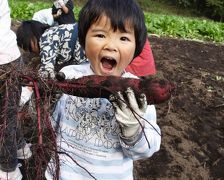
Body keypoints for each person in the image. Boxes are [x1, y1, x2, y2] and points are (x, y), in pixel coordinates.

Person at [45, 0, 161, 179]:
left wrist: (133, 130)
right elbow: (50, 125)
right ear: (83, 40)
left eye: (123, 38)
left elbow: (146, 150)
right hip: (61, 174)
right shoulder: (68, 76)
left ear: (136, 48)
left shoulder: (137, 93)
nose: (110, 46)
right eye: (100, 35)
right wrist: (46, 99)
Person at [0, 0, 32, 179]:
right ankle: (20, 148)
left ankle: (9, 169)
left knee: (1, 121)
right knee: (7, 115)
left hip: (1, 64)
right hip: (1, 61)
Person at [16, 20, 156, 79]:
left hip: (96, 52)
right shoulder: (55, 32)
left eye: (28, 47)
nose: (31, 51)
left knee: (121, 80)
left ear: (32, 37)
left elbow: (46, 71)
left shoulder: (46, 38)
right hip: (100, 53)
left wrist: (30, 87)